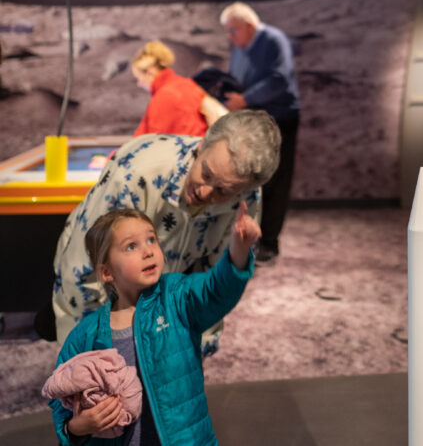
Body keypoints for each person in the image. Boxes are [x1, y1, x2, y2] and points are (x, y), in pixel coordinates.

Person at [49, 110, 280, 347]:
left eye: (223, 190)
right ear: (202, 146)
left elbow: (217, 278)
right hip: (103, 286)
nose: (205, 192)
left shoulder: (246, 195)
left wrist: (201, 338)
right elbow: (83, 265)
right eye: (206, 173)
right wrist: (91, 344)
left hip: (162, 290)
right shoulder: (137, 172)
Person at [46, 203, 260, 445]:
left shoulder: (176, 296)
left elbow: (215, 290)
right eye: (131, 246)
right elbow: (60, 396)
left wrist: (238, 252)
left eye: (151, 240)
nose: (148, 251)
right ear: (106, 272)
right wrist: (76, 428)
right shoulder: (85, 335)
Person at [218, 2, 300, 263]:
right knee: (256, 180)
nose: (230, 37)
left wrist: (246, 98)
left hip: (279, 120)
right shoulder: (241, 47)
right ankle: (253, 239)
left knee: (275, 181)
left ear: (249, 26)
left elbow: (280, 77)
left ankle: (269, 243)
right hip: (253, 121)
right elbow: (236, 77)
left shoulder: (274, 40)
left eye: (233, 30)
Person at [131, 40, 228, 137]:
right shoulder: (189, 85)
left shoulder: (163, 97)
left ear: (150, 71)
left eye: (139, 78)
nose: (139, 84)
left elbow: (152, 142)